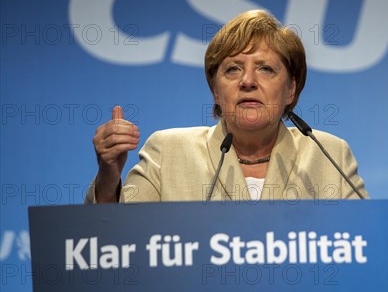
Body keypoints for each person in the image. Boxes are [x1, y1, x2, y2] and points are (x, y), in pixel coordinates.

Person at [85, 10, 368, 203]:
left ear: (291, 89)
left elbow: (369, 242)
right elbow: (117, 247)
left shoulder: (330, 155)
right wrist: (109, 177)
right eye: (232, 69)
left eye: (266, 69)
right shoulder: (167, 153)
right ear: (216, 91)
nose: (247, 81)